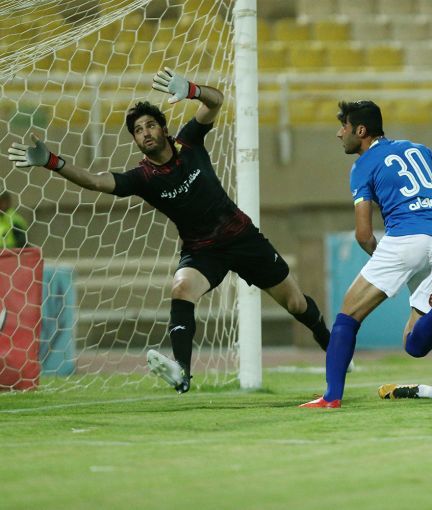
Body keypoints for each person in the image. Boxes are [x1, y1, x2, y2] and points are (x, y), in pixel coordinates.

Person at [7, 67, 333, 393]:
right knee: (181, 288)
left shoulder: (189, 143)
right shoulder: (142, 178)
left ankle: (331, 345)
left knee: (295, 304)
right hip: (202, 250)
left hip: (242, 237)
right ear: (135, 140)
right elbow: (95, 181)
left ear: (164, 128)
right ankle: (182, 372)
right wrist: (52, 162)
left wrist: (192, 90)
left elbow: (216, 101)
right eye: (138, 130)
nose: (145, 133)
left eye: (150, 125)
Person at [300, 100, 432, 408]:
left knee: (347, 316)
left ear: (361, 131)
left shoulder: (362, 166)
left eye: (344, 126)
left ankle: (331, 397)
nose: (339, 133)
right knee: (414, 343)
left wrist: (385, 259)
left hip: (404, 240)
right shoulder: (418, 149)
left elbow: (363, 234)